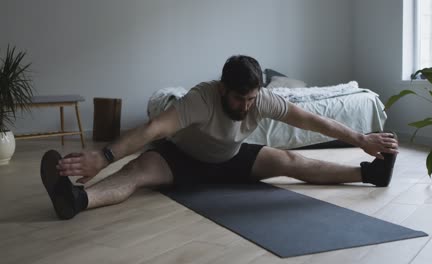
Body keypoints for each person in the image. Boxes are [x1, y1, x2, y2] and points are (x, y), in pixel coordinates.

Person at [40, 55, 399, 220]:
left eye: (252, 99)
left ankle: (369, 174)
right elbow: (153, 130)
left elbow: (310, 120)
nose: (246, 106)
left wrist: (360, 138)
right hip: (179, 160)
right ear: (223, 89)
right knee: (135, 174)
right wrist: (102, 157)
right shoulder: (200, 98)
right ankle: (77, 199)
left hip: (231, 157)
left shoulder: (261, 98)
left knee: (291, 161)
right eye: (239, 99)